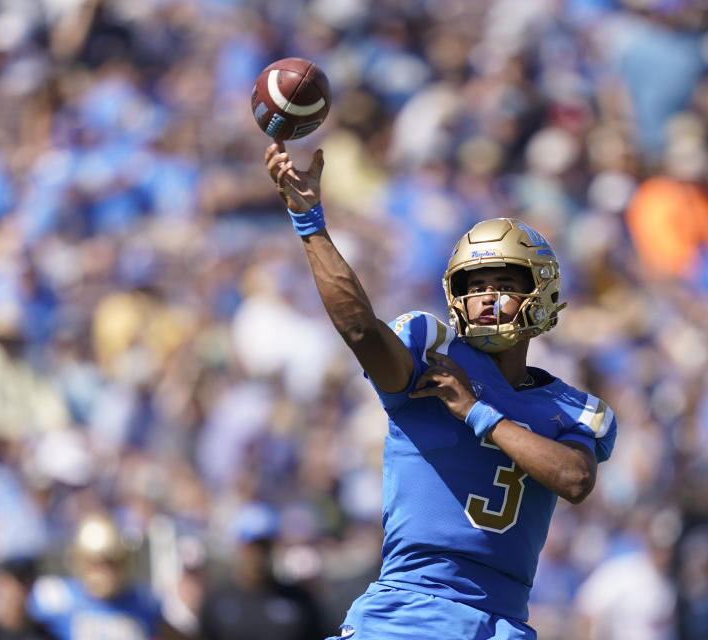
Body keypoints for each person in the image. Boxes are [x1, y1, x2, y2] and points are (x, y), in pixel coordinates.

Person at [263, 142, 617, 639]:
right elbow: (362, 330)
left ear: (542, 292)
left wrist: (476, 412)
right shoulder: (432, 353)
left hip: (503, 624)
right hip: (409, 612)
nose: (487, 298)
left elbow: (575, 479)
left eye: (505, 282)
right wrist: (309, 222)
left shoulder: (574, 409)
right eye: (475, 285)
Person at [27, 512, 162, 640]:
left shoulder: (144, 602)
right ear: (81, 561)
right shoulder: (58, 597)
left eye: (112, 563)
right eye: (97, 564)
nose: (105, 572)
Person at [198, 502, 322, 640]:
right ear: (239, 547)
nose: (258, 554)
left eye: (264, 546)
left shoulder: (300, 603)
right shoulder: (216, 601)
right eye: (252, 547)